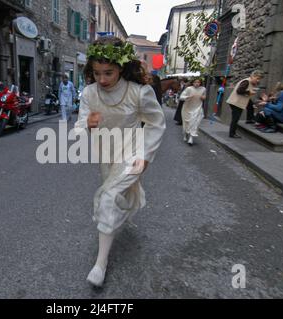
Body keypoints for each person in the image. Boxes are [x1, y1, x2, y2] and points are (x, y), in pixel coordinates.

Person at [75, 36, 166, 287]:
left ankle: (100, 264)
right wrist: (87, 124)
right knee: (115, 197)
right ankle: (118, 215)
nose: (102, 79)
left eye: (108, 72)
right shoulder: (90, 93)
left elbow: (156, 124)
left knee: (108, 197)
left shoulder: (139, 92)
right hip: (106, 154)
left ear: (121, 68)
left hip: (133, 153)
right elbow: (80, 126)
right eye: (96, 72)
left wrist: (145, 156)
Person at [226, 70, 264, 138]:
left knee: (250, 105)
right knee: (235, 118)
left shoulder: (250, 82)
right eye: (257, 78)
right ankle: (232, 134)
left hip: (238, 101)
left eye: (260, 79)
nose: (258, 80)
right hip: (236, 102)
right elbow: (239, 90)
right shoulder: (246, 81)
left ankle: (249, 119)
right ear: (252, 76)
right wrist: (249, 93)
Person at [180, 78, 206, 145]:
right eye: (195, 82)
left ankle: (191, 138)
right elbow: (181, 97)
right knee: (186, 123)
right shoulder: (189, 89)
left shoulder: (203, 89)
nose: (197, 84)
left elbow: (204, 96)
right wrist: (188, 97)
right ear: (193, 83)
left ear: (200, 83)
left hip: (197, 108)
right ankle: (185, 134)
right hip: (187, 108)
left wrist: (203, 97)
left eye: (198, 82)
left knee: (194, 123)